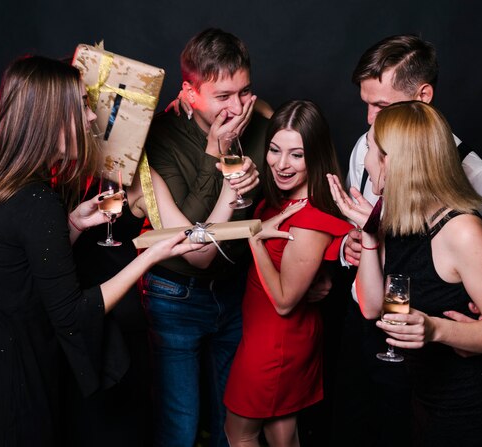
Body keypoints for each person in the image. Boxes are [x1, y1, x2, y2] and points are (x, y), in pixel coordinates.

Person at [0, 55, 209, 446]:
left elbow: (15, 268)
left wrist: (71, 224)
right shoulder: (37, 201)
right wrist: (151, 257)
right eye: (82, 107)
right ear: (50, 118)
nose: (91, 118)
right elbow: (73, 313)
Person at [331, 33, 482, 447]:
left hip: (467, 398)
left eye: (381, 109)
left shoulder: (467, 206)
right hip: (421, 386)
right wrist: (366, 239)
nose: (367, 133)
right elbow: (372, 302)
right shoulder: (396, 204)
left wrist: (453, 331)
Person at [61, 159, 259, 446]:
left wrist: (230, 190)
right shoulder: (56, 168)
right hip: (69, 320)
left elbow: (199, 254)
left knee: (130, 428)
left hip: (124, 322)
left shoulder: (139, 173)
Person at [140, 27, 271, 447]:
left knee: (230, 422)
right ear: (190, 93)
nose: (236, 108)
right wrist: (213, 153)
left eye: (244, 92)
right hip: (176, 294)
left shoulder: (252, 116)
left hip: (234, 293)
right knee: (180, 424)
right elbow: (190, 243)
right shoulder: (158, 139)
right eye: (223, 97)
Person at [222, 99, 353, 446]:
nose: (281, 164)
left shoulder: (308, 220)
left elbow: (283, 301)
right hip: (270, 335)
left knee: (239, 434)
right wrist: (258, 109)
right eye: (275, 150)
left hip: (275, 342)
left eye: (296, 155)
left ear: (316, 154)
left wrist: (253, 237)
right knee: (281, 434)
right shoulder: (285, 199)